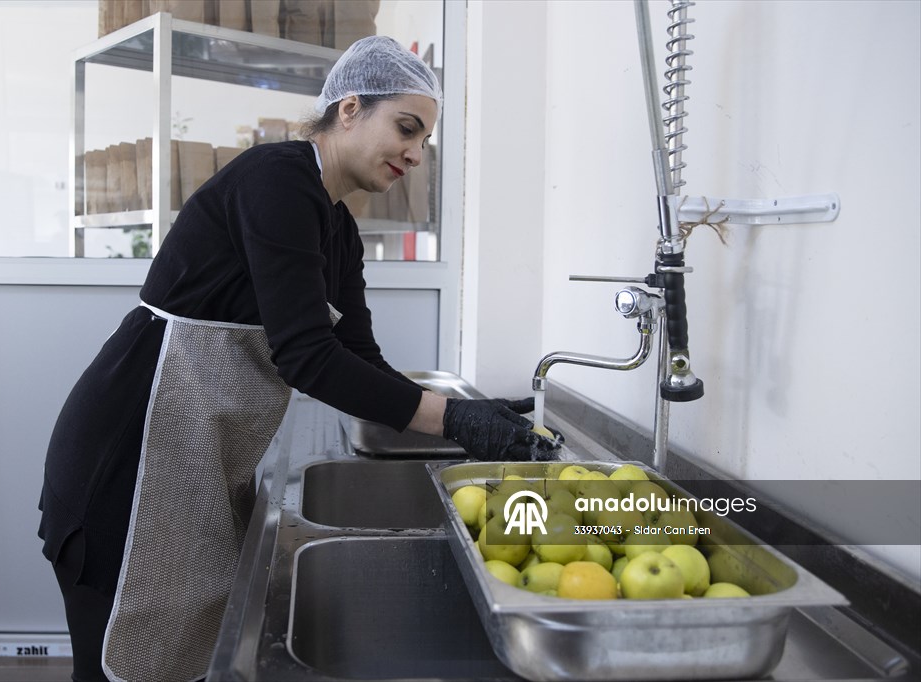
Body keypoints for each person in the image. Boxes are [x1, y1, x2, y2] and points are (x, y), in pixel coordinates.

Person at [38, 36, 559, 682]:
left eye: (424, 140)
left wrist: (471, 413)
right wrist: (454, 421)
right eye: (406, 128)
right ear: (349, 108)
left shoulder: (337, 227)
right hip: (127, 457)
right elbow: (307, 358)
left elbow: (359, 358)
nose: (415, 154)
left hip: (193, 462)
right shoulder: (277, 181)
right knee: (121, 664)